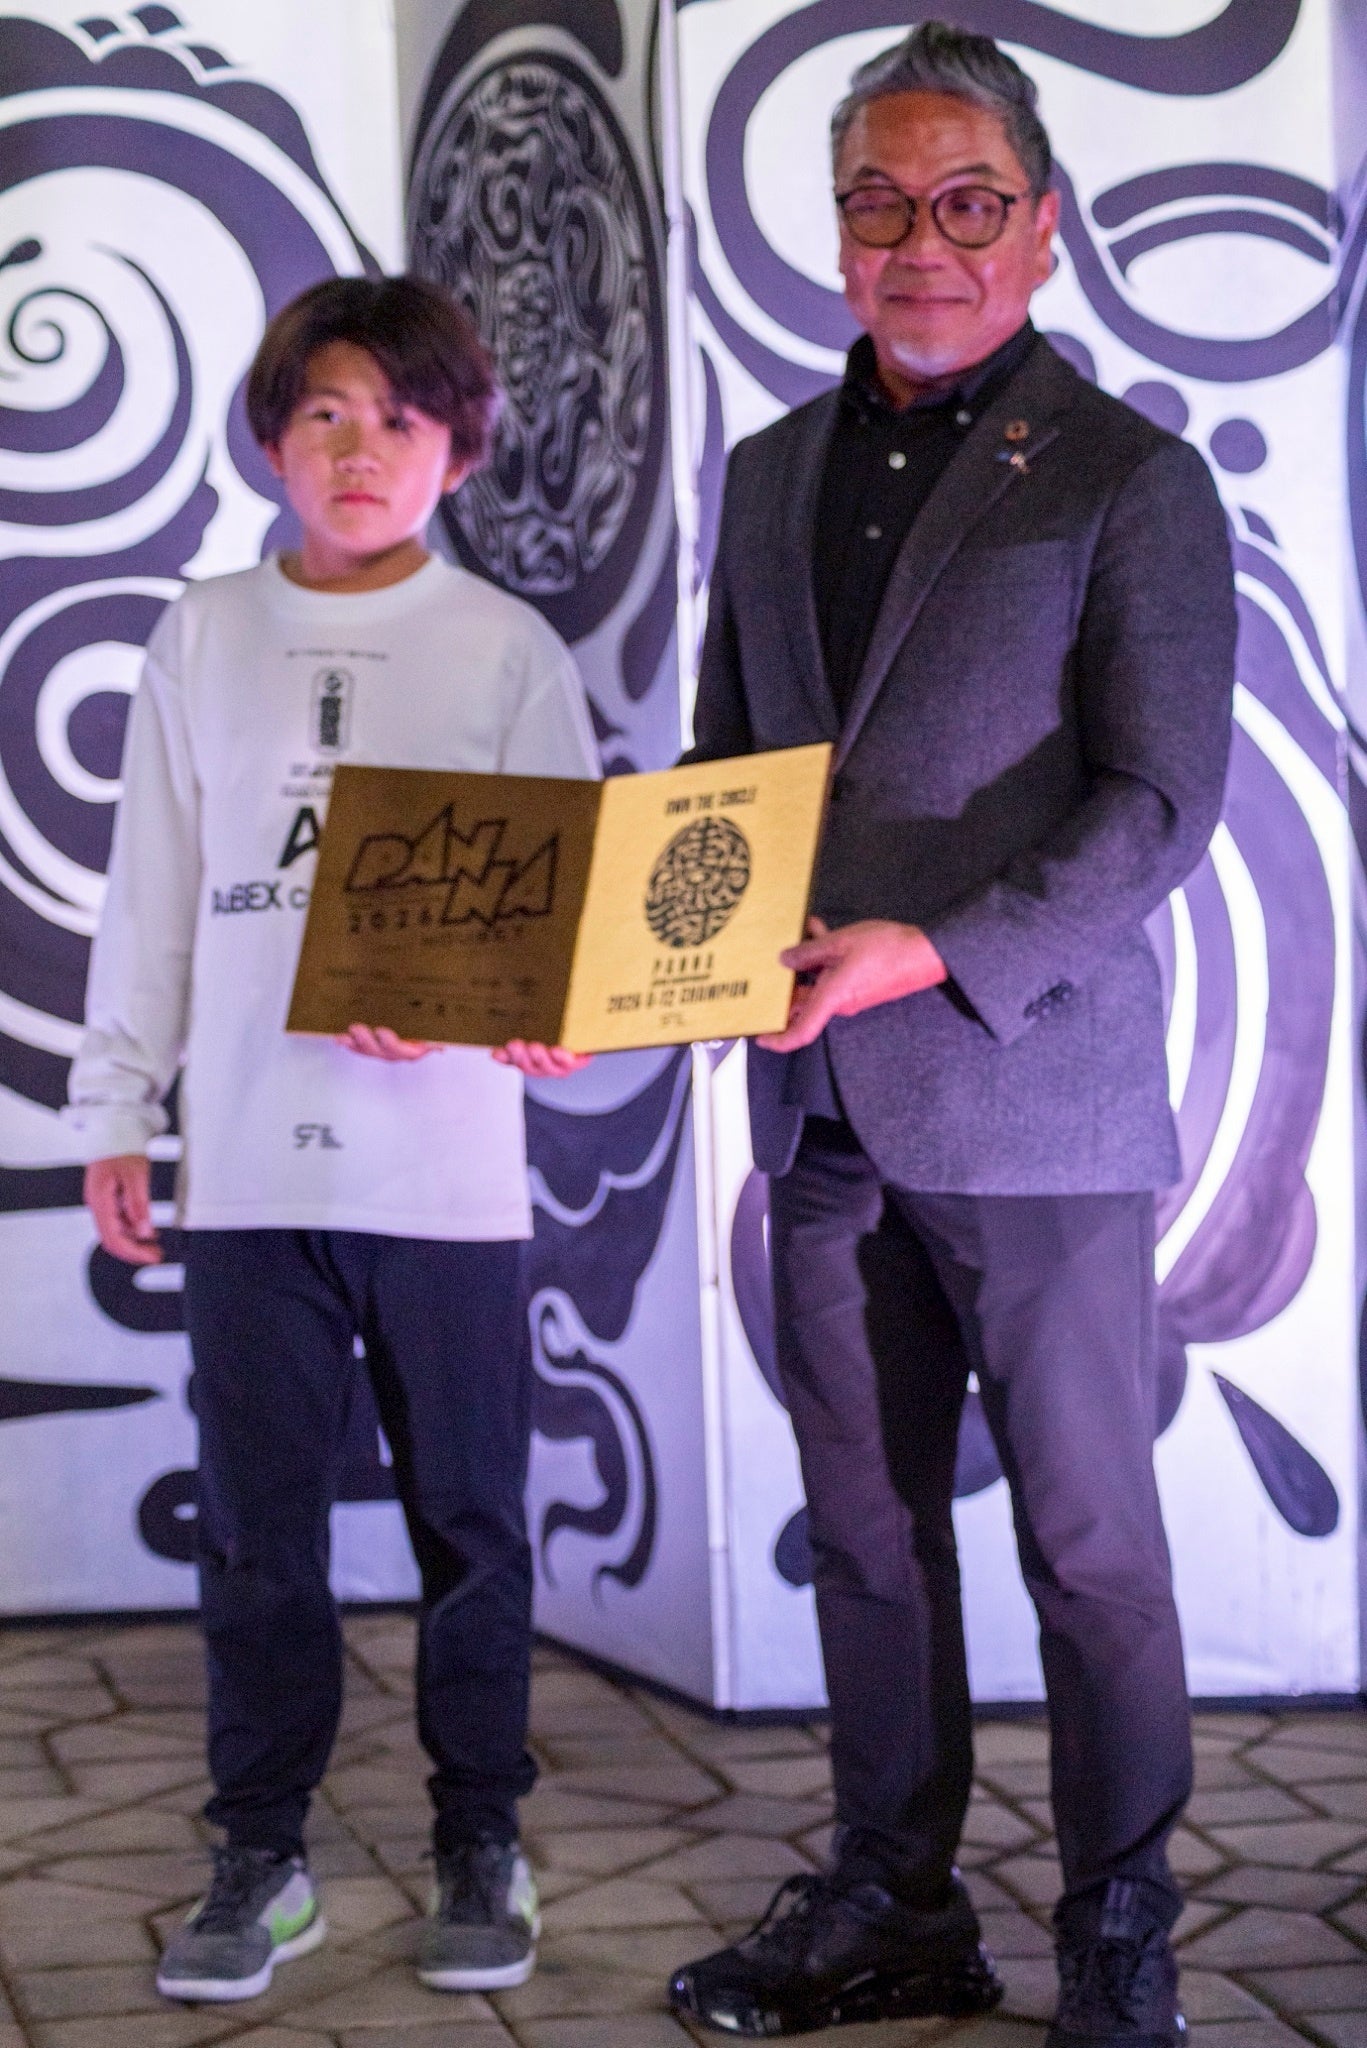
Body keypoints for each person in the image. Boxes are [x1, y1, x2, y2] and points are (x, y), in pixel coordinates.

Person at [667, 22, 1235, 2045]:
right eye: (881, 203)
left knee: (1091, 1549)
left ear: (1042, 227)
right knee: (869, 1536)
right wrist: (626, 991)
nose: (923, 240)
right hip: (816, 1106)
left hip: (1037, 1099)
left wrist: (931, 949)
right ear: (838, 232)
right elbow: (722, 785)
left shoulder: (1127, 477)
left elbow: (1160, 804)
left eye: (967, 201)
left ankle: (1120, 1932)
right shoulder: (765, 474)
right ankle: (897, 1903)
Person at [67, 275, 597, 2005]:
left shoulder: (505, 648)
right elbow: (152, 890)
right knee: (255, 1531)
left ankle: (481, 1838)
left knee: (473, 1524)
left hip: (445, 1177)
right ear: (275, 440)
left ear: (458, 449)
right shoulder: (203, 633)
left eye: (401, 418)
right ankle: (260, 1853)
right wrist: (118, 1105)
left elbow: (561, 934)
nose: (362, 449)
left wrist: (496, 1010)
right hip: (248, 1167)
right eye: (325, 415)